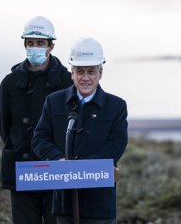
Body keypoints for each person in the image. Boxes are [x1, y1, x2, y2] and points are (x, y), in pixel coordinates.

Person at [32, 37, 128, 224]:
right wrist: (58, 160)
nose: (85, 78)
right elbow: (40, 139)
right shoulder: (54, 102)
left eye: (91, 71)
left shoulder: (116, 106)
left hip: (100, 204)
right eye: (80, 72)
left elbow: (117, 144)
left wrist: (86, 170)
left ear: (100, 73)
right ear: (72, 73)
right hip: (64, 204)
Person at [0, 16, 73, 224]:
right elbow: (4, 126)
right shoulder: (10, 83)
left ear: (51, 46)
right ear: (24, 44)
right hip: (22, 171)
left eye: (41, 43)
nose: (35, 48)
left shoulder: (67, 81)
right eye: (31, 42)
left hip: (56, 172)